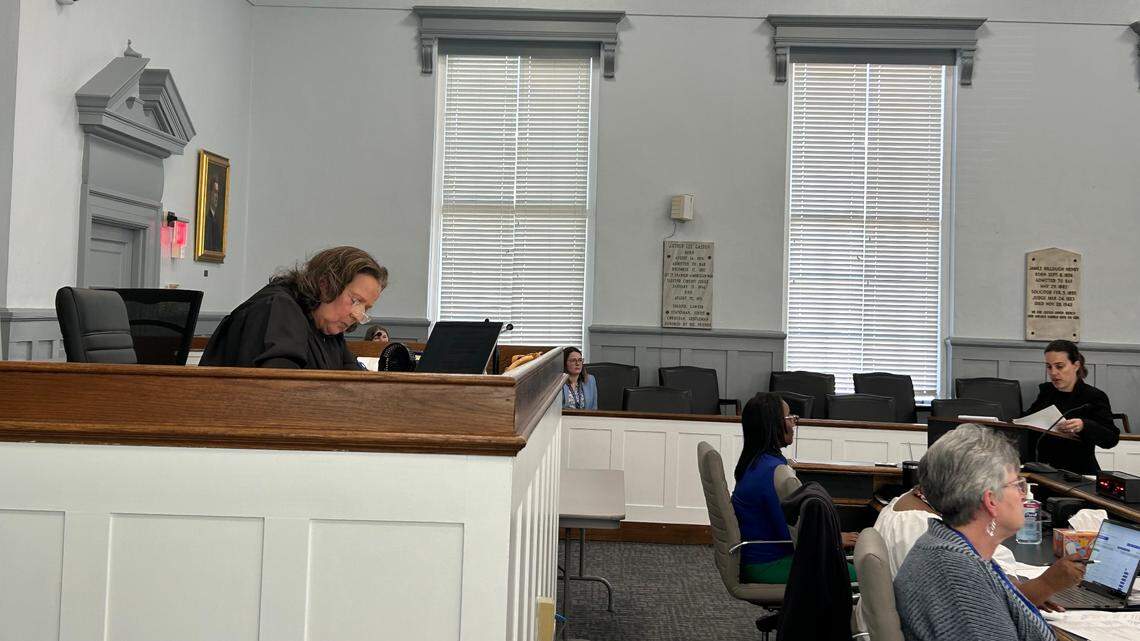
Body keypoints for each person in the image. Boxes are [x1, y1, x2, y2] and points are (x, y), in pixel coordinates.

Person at [894, 425, 1069, 641]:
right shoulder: (958, 576)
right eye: (1017, 485)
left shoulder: (948, 547)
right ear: (991, 500)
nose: (1024, 495)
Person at [875, 480, 1082, 610]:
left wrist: (1025, 589)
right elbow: (995, 608)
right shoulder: (929, 533)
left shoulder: (906, 504)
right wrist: (1046, 584)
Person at [732, 393, 857, 584]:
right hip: (769, 563)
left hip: (757, 558)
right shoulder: (771, 472)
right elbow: (791, 533)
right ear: (772, 425)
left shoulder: (755, 463)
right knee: (863, 575)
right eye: (789, 418)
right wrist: (833, 540)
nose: (793, 423)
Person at [202, 246, 387, 369]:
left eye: (366, 308)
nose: (358, 315)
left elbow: (355, 383)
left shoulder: (327, 327)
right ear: (326, 285)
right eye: (355, 301)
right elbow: (284, 390)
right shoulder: (278, 308)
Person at [1023, 339, 1118, 473]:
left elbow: (1111, 439)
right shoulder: (1046, 393)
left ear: (1076, 365)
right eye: (1049, 366)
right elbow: (1029, 421)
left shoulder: (1093, 396)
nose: (1053, 372)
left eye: (1060, 366)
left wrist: (1084, 425)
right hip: (1041, 471)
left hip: (1076, 474)